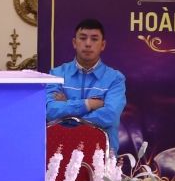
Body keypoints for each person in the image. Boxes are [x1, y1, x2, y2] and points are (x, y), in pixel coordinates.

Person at [46, 19, 127, 151]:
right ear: (74, 43)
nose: (88, 44)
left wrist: (68, 109)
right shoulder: (56, 74)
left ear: (103, 45)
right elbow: (50, 111)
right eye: (83, 38)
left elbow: (110, 115)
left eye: (94, 39)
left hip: (101, 153)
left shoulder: (115, 79)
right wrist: (88, 104)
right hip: (59, 152)